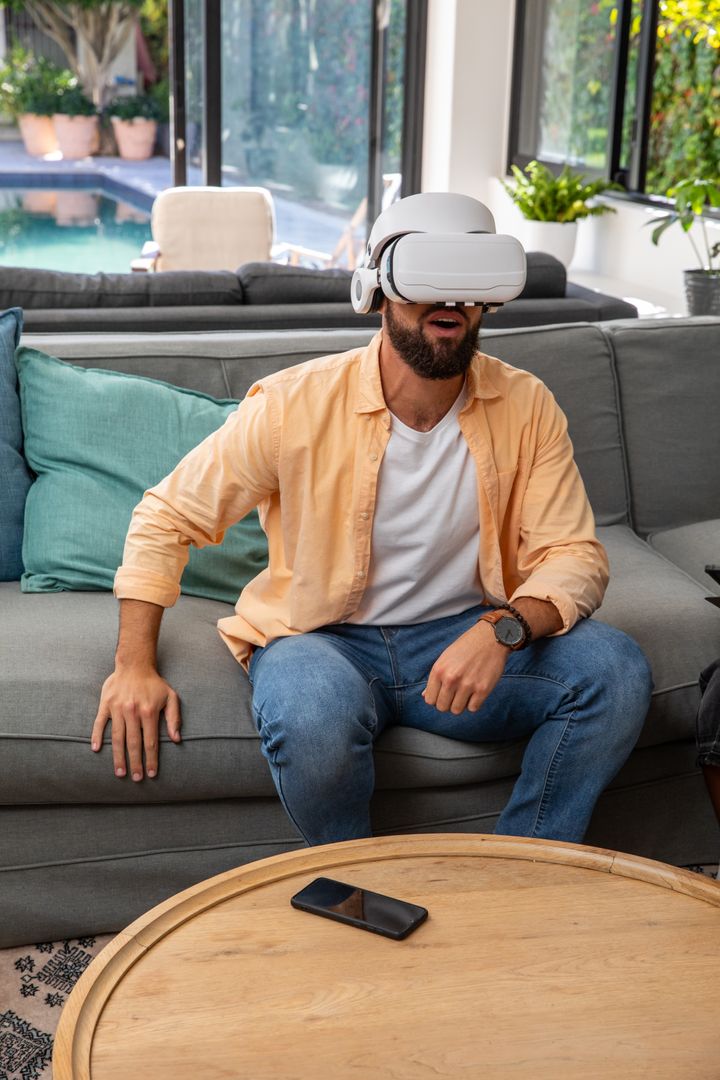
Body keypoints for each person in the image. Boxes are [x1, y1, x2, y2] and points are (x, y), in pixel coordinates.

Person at [92, 192, 653, 846]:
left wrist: (503, 630)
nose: (450, 304)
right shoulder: (293, 404)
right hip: (323, 639)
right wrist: (133, 665)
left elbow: (573, 555)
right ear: (378, 292)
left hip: (460, 633)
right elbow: (167, 517)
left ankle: (520, 874)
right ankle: (357, 889)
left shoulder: (525, 405)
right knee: (314, 718)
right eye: (426, 282)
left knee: (614, 671)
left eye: (467, 285)